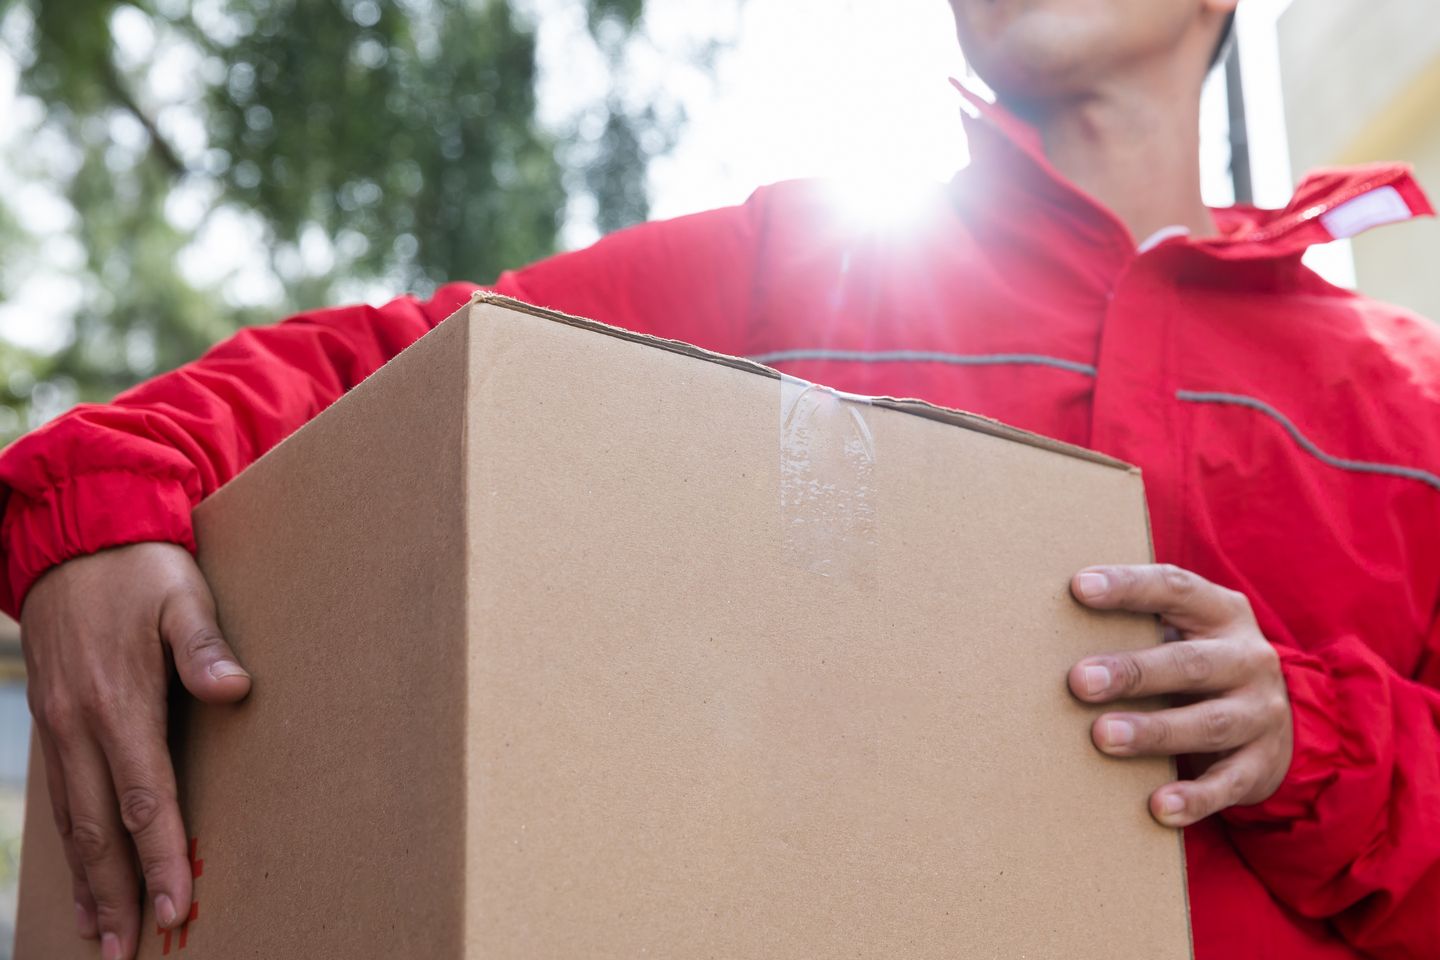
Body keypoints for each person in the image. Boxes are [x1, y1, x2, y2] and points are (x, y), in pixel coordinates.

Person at [5, 0, 1439, 957]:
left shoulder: (1407, 400)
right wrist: (97, 516)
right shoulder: (793, 264)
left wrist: (1306, 737)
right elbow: (392, 367)